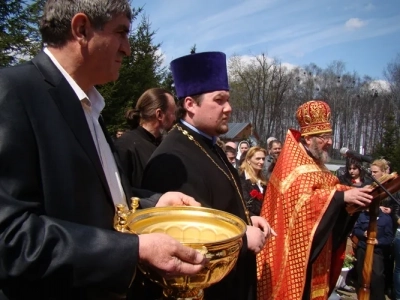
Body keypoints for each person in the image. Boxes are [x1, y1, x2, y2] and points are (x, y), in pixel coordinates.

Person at [0, 1, 207, 299]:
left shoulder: (89, 107)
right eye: (121, 32)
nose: (128, 49)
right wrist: (133, 249)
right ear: (82, 29)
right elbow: (10, 236)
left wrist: (155, 202)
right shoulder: (13, 91)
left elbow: (100, 200)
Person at [142, 51, 274, 300]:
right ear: (190, 104)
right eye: (220, 100)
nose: (229, 108)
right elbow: (184, 242)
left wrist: (246, 221)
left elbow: (220, 205)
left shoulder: (210, 144)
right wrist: (243, 241)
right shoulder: (172, 160)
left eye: (228, 100)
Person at [256, 100, 373, 300]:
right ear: (307, 139)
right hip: (290, 252)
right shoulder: (292, 164)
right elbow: (302, 205)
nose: (329, 142)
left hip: (318, 247)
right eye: (323, 137)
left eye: (330, 136)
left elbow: (331, 186)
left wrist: (357, 192)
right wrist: (342, 196)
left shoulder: (315, 162)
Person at [114, 88, 176, 187]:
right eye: (173, 113)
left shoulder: (164, 145)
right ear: (159, 114)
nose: (175, 118)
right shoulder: (125, 147)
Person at [352, 207, 393, 300]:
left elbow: (389, 237)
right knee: (361, 273)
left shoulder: (386, 219)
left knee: (377, 276)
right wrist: (363, 233)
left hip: (377, 251)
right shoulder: (362, 216)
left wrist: (378, 241)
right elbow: (355, 229)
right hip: (363, 248)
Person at [239, 146, 268, 216]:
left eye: (263, 159)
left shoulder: (264, 180)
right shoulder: (241, 179)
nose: (261, 162)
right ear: (248, 160)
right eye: (258, 159)